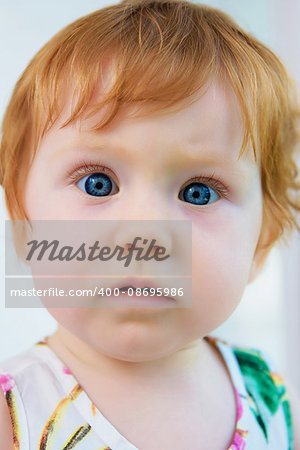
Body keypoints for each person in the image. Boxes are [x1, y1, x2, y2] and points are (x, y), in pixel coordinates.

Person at [0, 0, 300, 448]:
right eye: (98, 184)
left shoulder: (267, 393)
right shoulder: (15, 413)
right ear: (25, 227)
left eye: (198, 192)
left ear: (261, 241)